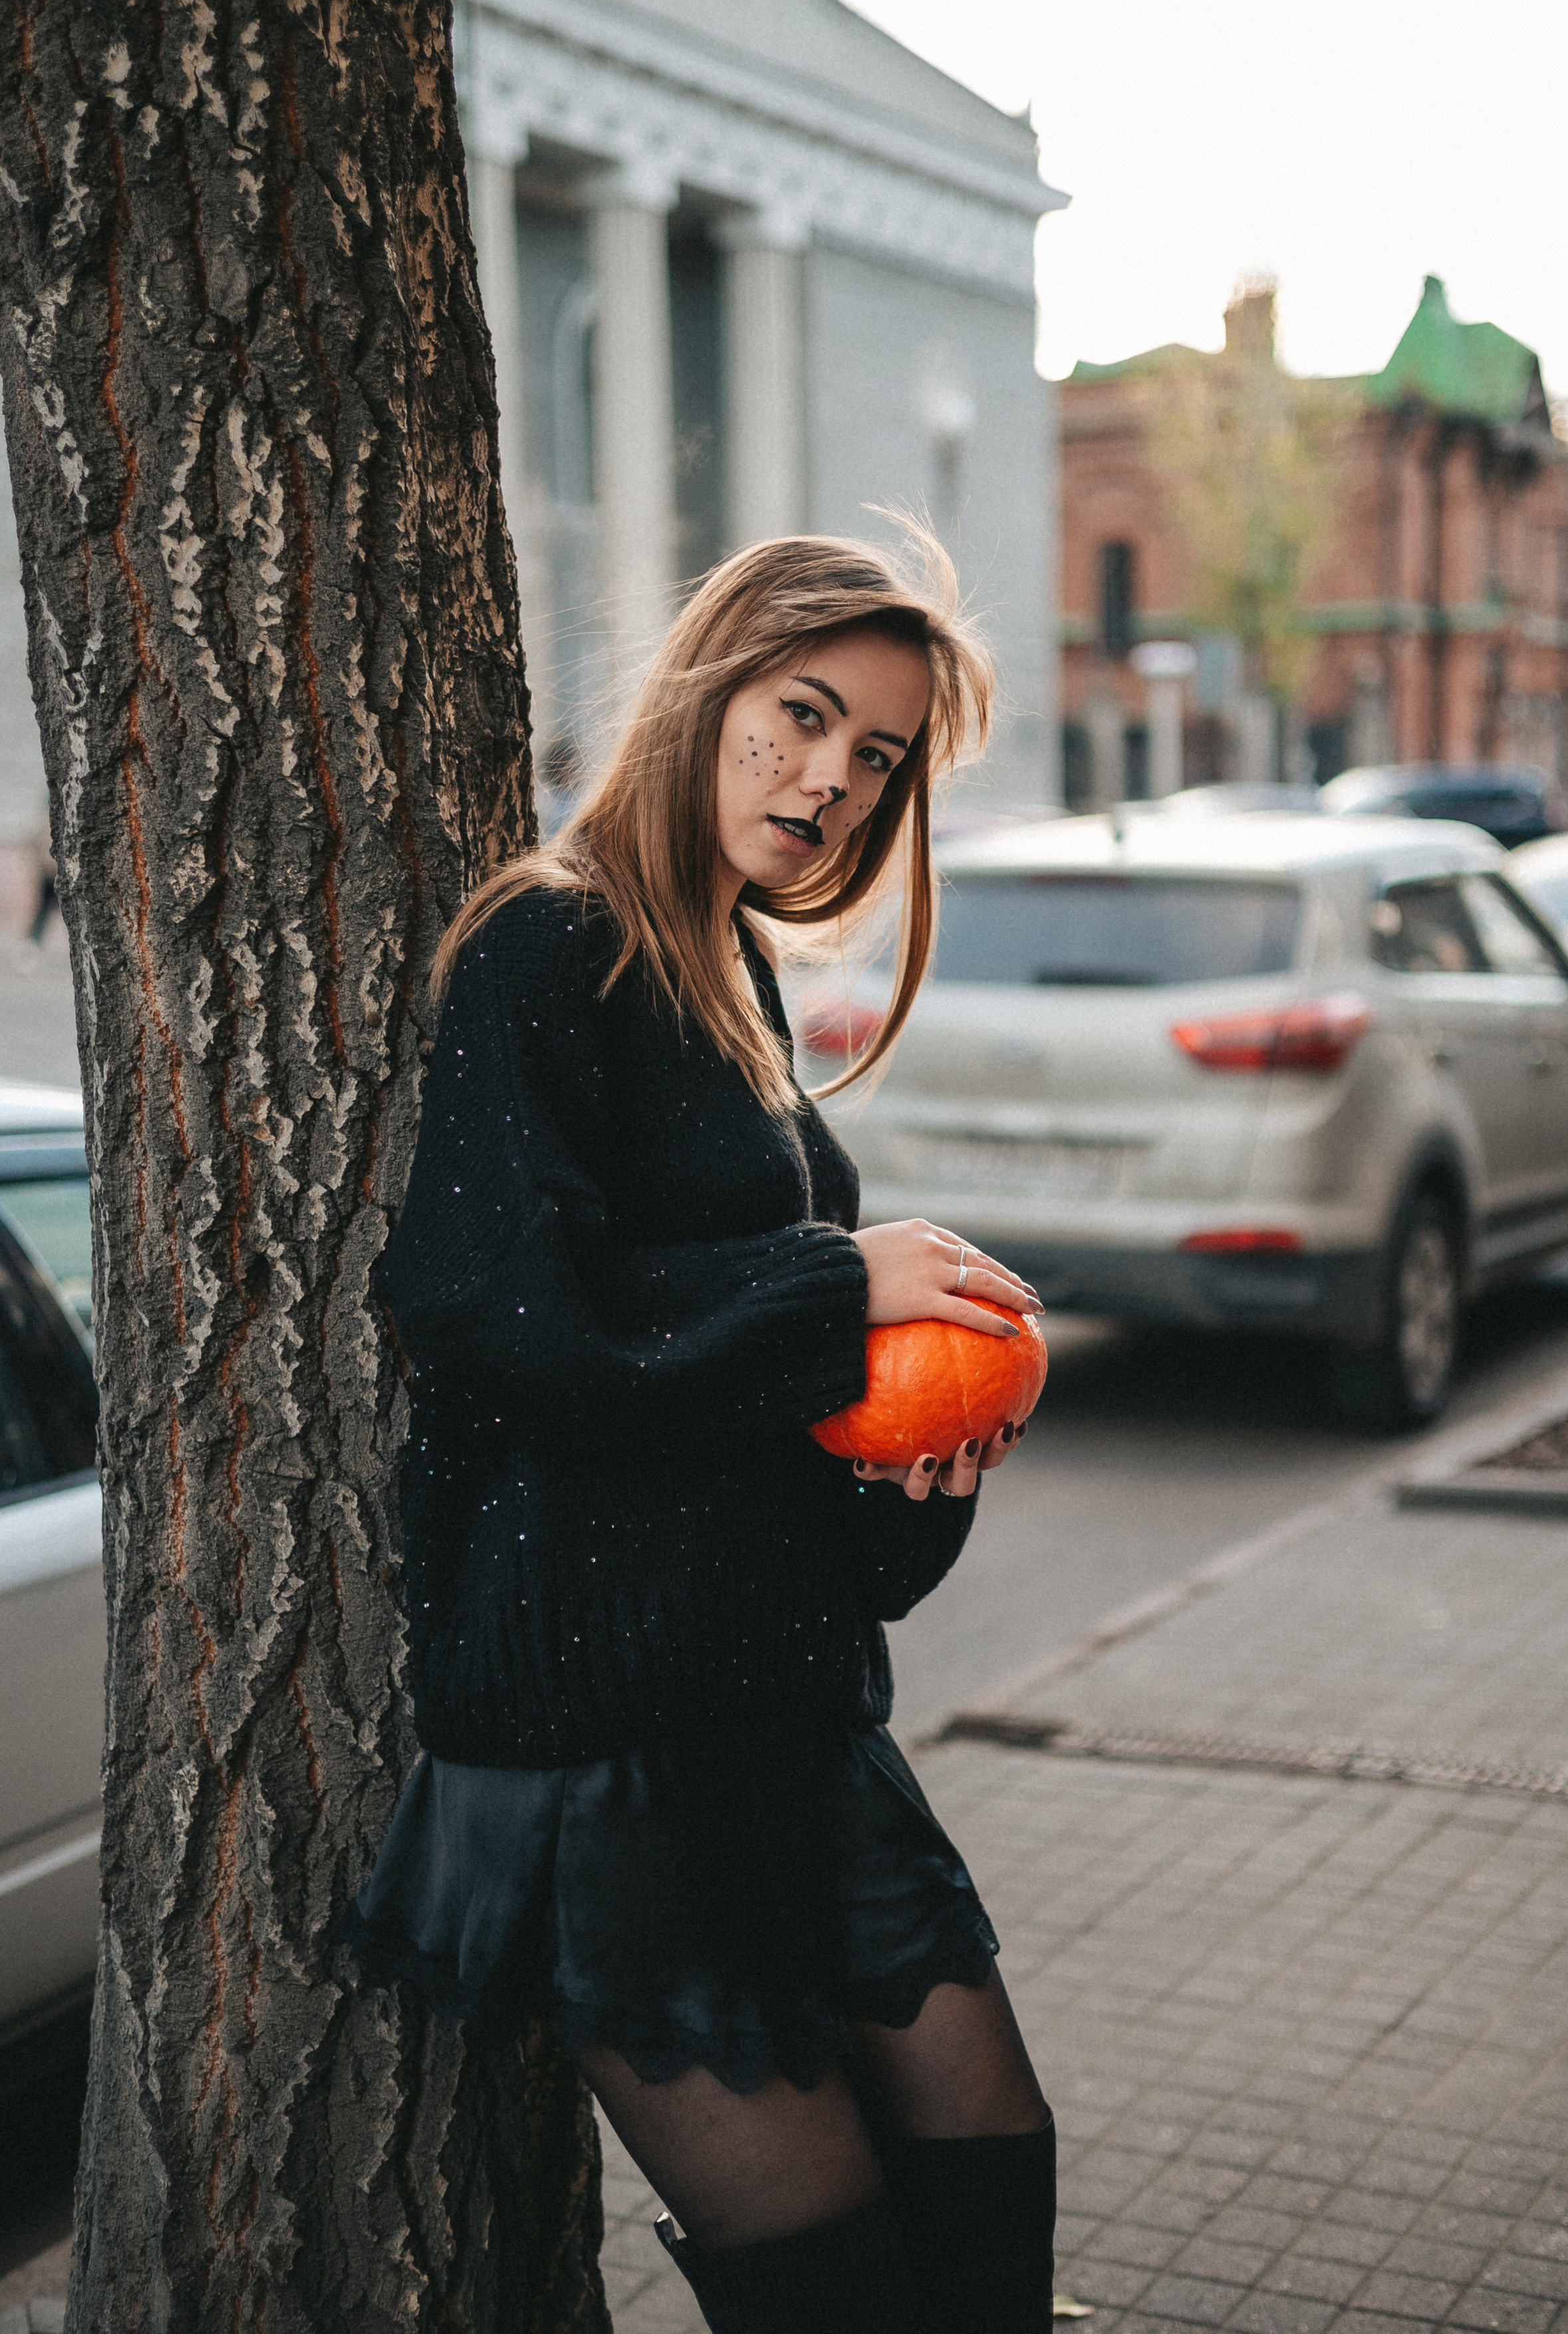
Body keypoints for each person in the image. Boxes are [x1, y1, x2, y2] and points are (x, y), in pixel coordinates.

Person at [341, 534, 1055, 2331]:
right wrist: (840, 1287)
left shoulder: (731, 980)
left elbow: (778, 1415)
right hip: (611, 1758)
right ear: (709, 690)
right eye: (805, 716)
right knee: (835, 2285)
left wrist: (919, 1470)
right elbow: (504, 1314)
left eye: (880, 756)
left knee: (990, 2156)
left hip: (794, 1724)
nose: (833, 777)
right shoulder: (548, 944)